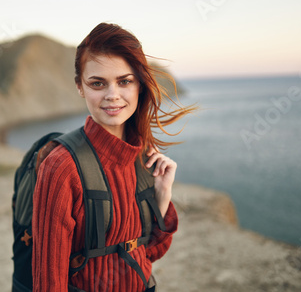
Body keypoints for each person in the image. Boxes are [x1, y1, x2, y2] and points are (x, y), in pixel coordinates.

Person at [32, 23, 196, 291]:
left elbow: (150, 253)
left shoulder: (142, 156)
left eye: (125, 81)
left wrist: (162, 196)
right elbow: (48, 283)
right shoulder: (61, 167)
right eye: (98, 83)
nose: (112, 96)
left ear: (139, 85)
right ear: (80, 87)